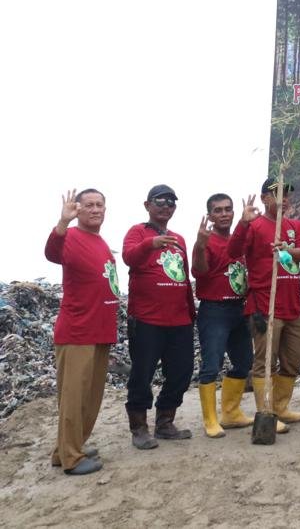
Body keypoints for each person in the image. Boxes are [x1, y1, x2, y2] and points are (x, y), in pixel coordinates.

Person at [44, 189, 119, 475]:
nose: (95, 209)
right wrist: (62, 223)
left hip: (100, 330)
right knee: (74, 398)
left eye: (100, 204)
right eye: (89, 205)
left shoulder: (99, 241)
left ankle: (65, 449)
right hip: (77, 332)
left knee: (90, 397)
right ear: (78, 209)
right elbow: (51, 253)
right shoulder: (71, 237)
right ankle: (72, 459)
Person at [229, 179, 300, 433]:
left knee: (294, 357)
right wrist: (243, 223)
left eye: (286, 194)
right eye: (276, 194)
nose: (283, 199)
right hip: (265, 305)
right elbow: (233, 251)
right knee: (265, 361)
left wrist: (289, 249)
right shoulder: (255, 226)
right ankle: (266, 412)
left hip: (293, 304)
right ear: (265, 198)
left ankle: (281, 407)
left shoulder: (294, 225)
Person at [122, 184, 195, 449]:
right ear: (147, 205)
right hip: (146, 320)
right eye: (161, 201)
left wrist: (190, 311)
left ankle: (165, 422)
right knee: (142, 375)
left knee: (181, 372)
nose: (166, 206)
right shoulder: (137, 232)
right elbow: (129, 257)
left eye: (172, 202)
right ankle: (139, 428)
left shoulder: (180, 239)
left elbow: (184, 278)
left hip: (179, 320)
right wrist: (151, 243)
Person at [192, 193, 254, 438]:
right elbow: (199, 272)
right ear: (210, 215)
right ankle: (210, 419)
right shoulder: (206, 240)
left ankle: (231, 413)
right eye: (217, 210)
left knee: (243, 362)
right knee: (211, 365)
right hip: (214, 310)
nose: (224, 214)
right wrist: (200, 245)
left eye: (228, 209)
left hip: (240, 308)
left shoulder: (240, 240)